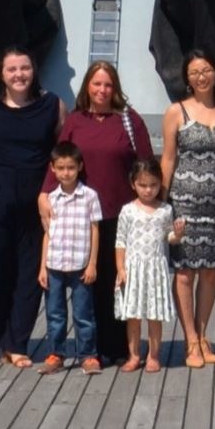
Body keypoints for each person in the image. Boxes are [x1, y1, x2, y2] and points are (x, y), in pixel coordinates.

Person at [40, 61, 153, 364]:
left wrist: (153, 206)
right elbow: (61, 159)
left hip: (122, 213)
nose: (102, 90)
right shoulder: (76, 120)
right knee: (88, 281)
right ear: (87, 86)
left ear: (115, 88)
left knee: (115, 279)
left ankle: (117, 346)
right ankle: (92, 347)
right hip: (84, 214)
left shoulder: (130, 121)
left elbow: (146, 165)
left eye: (108, 84)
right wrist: (44, 192)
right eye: (97, 84)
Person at [0, 47, 66, 368]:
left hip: (35, 201)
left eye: (24, 68)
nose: (19, 75)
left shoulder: (52, 106)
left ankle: (17, 342)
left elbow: (62, 152)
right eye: (12, 69)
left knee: (29, 273)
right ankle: (3, 333)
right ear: (2, 74)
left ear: (33, 71)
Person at [161, 49, 215, 368]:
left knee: (211, 272)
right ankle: (190, 340)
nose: (201, 76)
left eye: (206, 70)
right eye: (194, 72)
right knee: (185, 272)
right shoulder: (176, 111)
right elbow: (167, 158)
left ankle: (204, 337)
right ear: (187, 78)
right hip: (184, 203)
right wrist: (162, 202)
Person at [38, 141, 103, 375]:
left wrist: (93, 263)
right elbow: (47, 234)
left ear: (79, 167)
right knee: (55, 313)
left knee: (83, 313)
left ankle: (87, 355)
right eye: (61, 168)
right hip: (54, 264)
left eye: (71, 168)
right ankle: (56, 354)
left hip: (80, 264)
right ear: (53, 168)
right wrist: (42, 267)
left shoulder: (89, 196)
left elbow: (95, 230)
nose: (66, 173)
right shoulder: (51, 199)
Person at [114, 158, 182, 373]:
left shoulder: (165, 210)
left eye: (153, 185)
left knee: (154, 315)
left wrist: (178, 234)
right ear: (133, 184)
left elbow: (169, 237)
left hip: (155, 269)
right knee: (133, 316)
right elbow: (120, 240)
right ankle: (134, 355)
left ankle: (154, 355)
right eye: (143, 185)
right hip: (133, 268)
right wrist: (121, 268)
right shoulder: (127, 210)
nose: (148, 190)